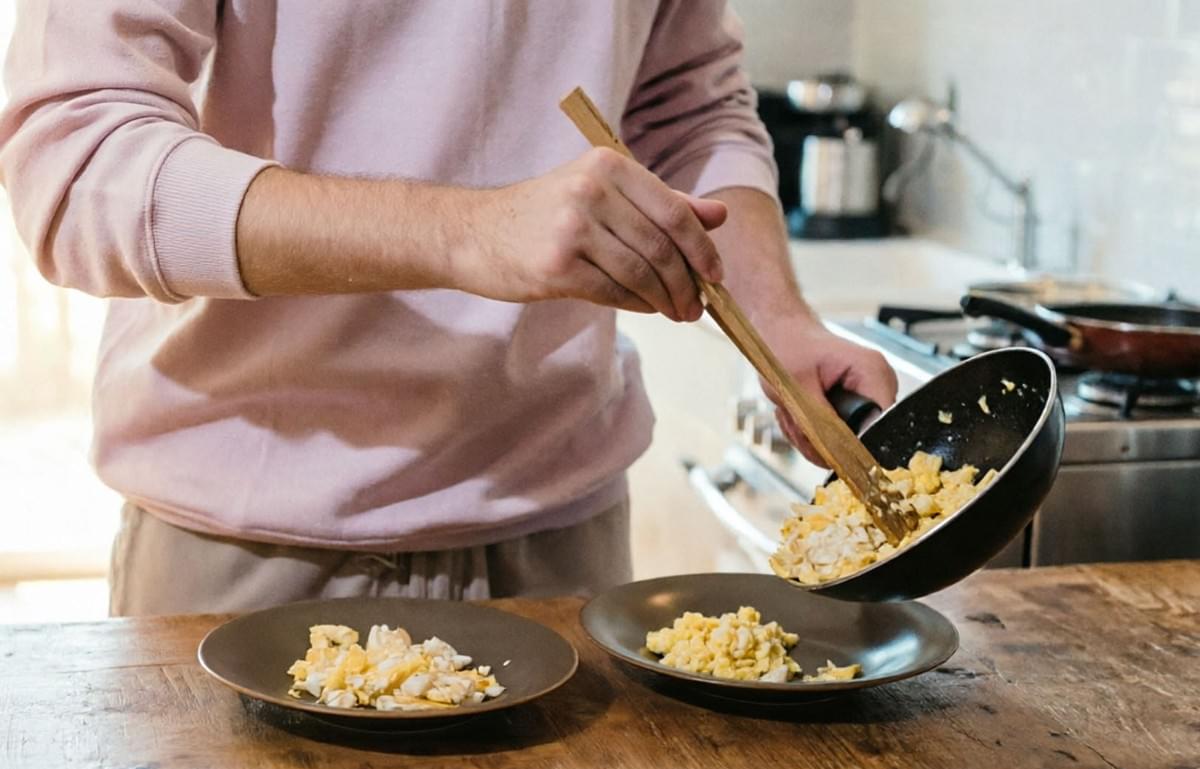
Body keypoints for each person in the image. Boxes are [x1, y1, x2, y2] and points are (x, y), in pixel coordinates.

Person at [0, 1, 896, 615]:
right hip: (251, 555)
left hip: (562, 542)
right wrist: (469, 233)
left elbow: (686, 109)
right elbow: (77, 169)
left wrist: (779, 321)